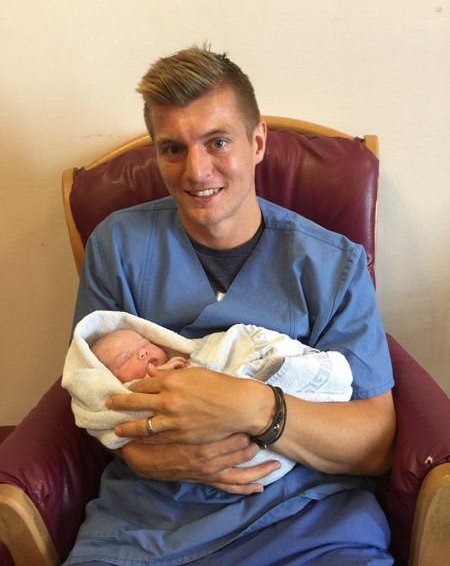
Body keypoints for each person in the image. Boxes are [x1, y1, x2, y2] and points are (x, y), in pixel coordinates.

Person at [63, 45, 396, 565]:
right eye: (173, 149)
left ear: (257, 142)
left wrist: (254, 406)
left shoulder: (333, 265)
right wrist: (156, 460)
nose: (197, 171)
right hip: (149, 527)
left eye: (217, 142)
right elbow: (90, 395)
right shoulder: (117, 247)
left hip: (304, 518)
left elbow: (374, 443)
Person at [62, 309, 353, 485]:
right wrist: (137, 455)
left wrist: (256, 406)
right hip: (163, 497)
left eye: (144, 342)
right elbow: (104, 411)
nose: (142, 352)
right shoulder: (127, 389)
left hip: (301, 466)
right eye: (126, 358)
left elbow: (206, 367)